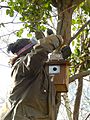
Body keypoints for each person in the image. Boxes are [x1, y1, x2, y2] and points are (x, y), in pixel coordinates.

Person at [0, 35, 64, 120]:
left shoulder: (39, 73)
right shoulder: (21, 66)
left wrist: (61, 57)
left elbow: (52, 94)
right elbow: (39, 53)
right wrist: (56, 39)